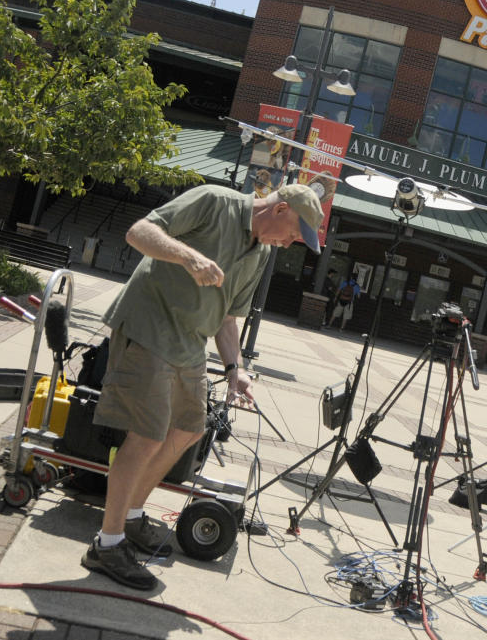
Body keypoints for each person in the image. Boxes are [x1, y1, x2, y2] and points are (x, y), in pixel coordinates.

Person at [80, 182, 323, 591]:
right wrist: (188, 255)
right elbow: (139, 232)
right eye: (294, 234)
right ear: (280, 209)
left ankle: (133, 515)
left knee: (190, 429)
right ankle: (107, 543)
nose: (289, 244)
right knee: (146, 436)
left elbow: (228, 318)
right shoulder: (214, 201)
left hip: (190, 344)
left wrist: (235, 369)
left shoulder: (260, 253)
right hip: (150, 326)